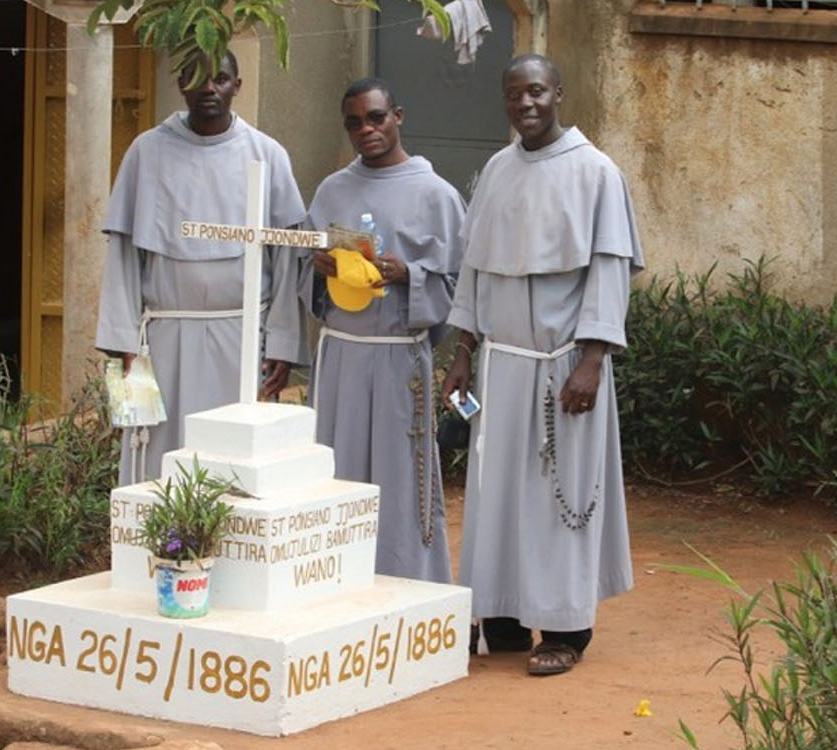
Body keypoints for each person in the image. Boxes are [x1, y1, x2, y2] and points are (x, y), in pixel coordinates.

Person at [440, 54, 643, 676]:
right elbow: (475, 270)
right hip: (501, 366)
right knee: (497, 497)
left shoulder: (596, 172)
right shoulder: (497, 171)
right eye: (514, 94)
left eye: (536, 91)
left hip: (564, 369)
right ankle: (501, 619)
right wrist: (463, 355)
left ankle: (564, 629)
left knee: (561, 499)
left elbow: (608, 272)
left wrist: (593, 359)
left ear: (558, 92)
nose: (525, 103)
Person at [97, 51, 309, 485]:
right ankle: (160, 549)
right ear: (180, 84)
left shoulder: (267, 154)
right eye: (197, 78)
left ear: (238, 85)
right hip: (161, 339)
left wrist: (282, 343)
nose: (209, 88)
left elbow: (286, 258)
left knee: (234, 461)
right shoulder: (146, 151)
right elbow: (122, 253)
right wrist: (123, 343)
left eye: (221, 78)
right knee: (155, 456)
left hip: (243, 338)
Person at [301, 78, 465, 584]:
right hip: (342, 357)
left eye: (375, 118)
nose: (365, 130)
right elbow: (307, 275)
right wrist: (320, 270)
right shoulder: (332, 189)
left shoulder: (438, 195)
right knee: (335, 474)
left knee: (402, 480)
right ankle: (333, 587)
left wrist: (408, 275)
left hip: (399, 358)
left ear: (398, 115)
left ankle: (409, 587)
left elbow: (462, 285)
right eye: (354, 123)